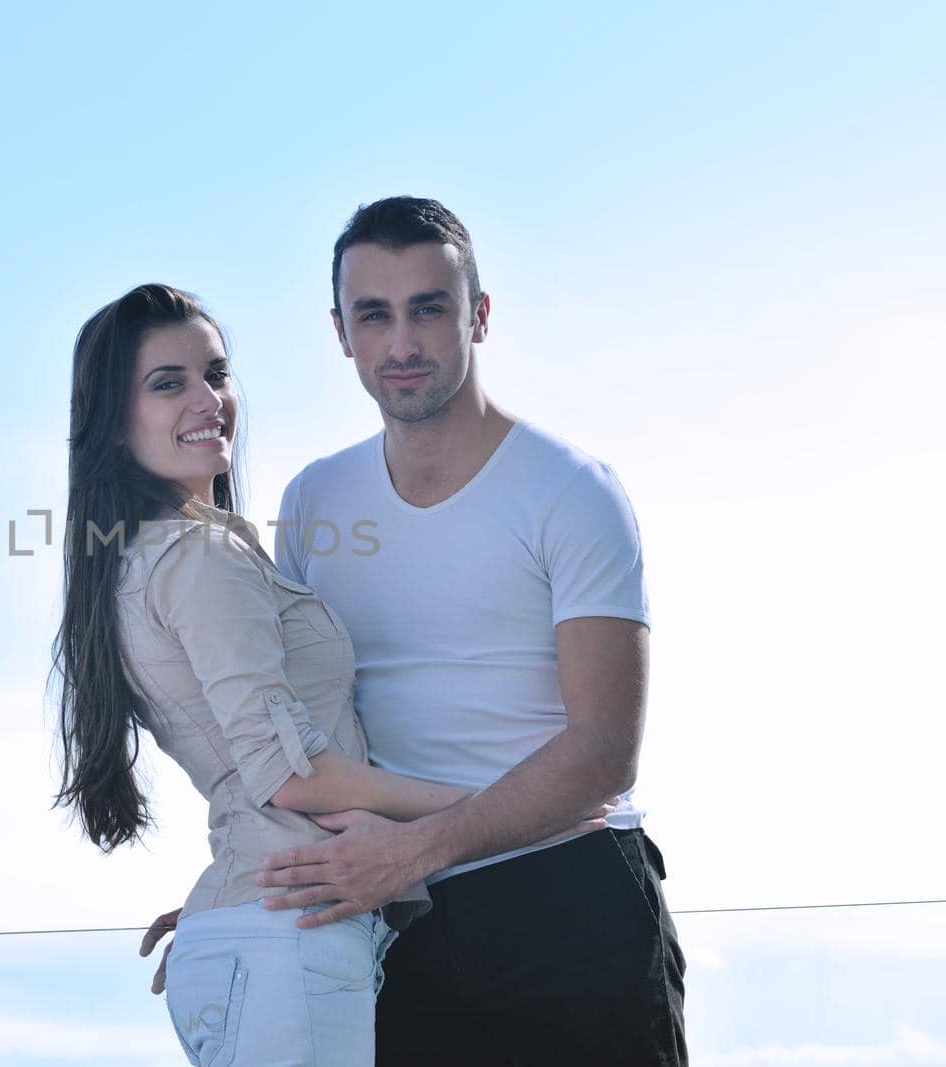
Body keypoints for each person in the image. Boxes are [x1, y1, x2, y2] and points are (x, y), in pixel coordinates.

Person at [52, 283, 602, 1067]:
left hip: (268, 923)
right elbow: (292, 774)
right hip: (287, 935)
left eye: (216, 372)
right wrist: (510, 809)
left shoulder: (152, 556)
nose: (209, 399)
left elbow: (249, 764)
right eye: (167, 383)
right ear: (111, 423)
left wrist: (234, 903)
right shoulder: (197, 556)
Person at [250, 197, 687, 1065]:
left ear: (478, 314)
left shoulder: (572, 492)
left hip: (571, 901)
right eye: (374, 314)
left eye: (430, 307)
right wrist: (233, 889)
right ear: (341, 332)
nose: (402, 343)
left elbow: (604, 750)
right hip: (392, 923)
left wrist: (413, 849)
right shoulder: (312, 502)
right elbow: (291, 729)